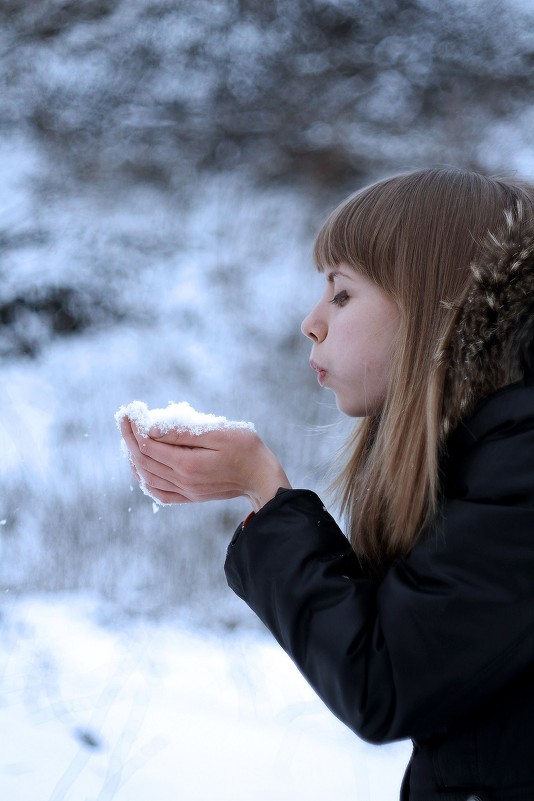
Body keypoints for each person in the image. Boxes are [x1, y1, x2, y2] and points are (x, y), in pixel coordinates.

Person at [119, 168, 534, 801]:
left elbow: (386, 678)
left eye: (341, 295)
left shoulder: (523, 463)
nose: (312, 322)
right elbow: (422, 634)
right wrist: (265, 498)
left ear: (434, 303)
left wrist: (265, 489)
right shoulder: (493, 451)